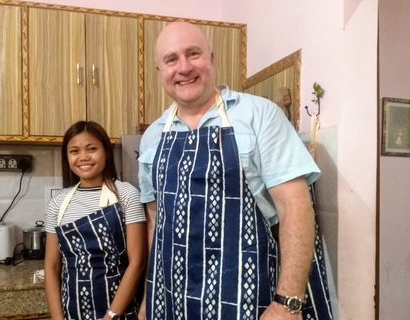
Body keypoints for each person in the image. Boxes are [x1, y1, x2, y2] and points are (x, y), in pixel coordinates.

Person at [138, 22, 332, 320]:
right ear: (159, 71)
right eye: (171, 59)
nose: (184, 67)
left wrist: (287, 302)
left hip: (246, 296)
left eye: (193, 54)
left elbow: (295, 208)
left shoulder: (260, 115)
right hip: (170, 302)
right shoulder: (152, 136)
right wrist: (148, 299)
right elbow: (155, 222)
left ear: (212, 59)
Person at [45, 121, 147, 320]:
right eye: (74, 151)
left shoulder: (127, 195)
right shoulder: (58, 203)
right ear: (67, 157)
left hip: (120, 312)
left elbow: (137, 262)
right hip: (71, 311)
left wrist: (111, 316)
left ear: (106, 152)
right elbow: (52, 267)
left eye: (92, 149)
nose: (83, 157)